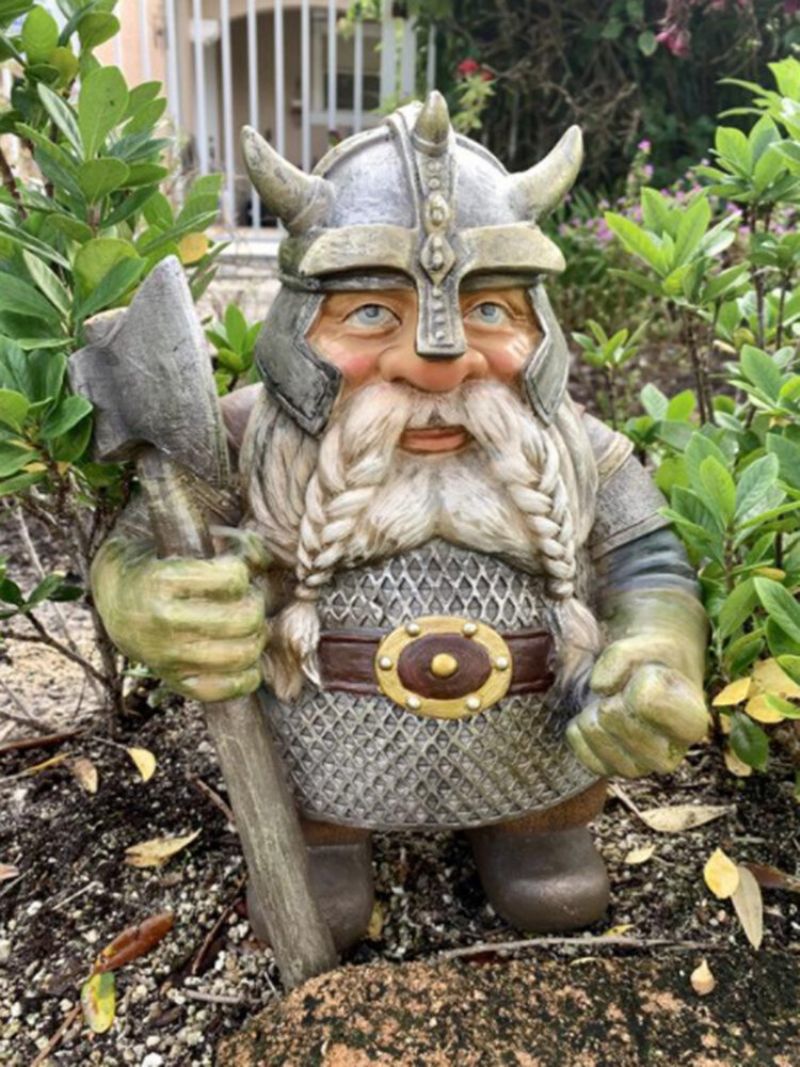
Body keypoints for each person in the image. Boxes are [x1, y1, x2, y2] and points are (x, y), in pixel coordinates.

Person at [91, 93, 708, 950]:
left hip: (535, 755)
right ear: (299, 325)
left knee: (554, 892)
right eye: (373, 312)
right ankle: (326, 842)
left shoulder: (583, 449)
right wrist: (141, 600)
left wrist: (655, 649)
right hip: (319, 759)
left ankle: (535, 831)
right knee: (325, 903)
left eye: (489, 311)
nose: (435, 364)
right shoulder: (243, 440)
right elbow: (134, 547)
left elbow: (651, 568)